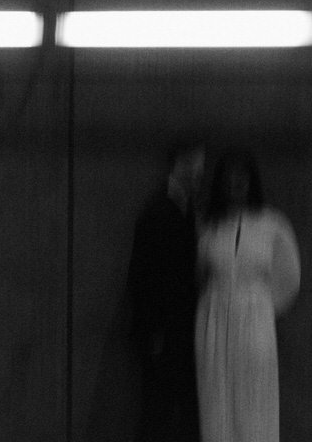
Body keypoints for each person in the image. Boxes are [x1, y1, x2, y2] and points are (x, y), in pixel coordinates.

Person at [195, 149, 300, 442]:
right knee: (217, 395)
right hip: (214, 320)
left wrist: (259, 309)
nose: (235, 185)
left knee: (255, 395)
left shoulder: (272, 224)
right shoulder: (209, 226)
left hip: (255, 320)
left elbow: (289, 278)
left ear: (252, 182)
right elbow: (200, 273)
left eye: (242, 179)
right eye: (229, 180)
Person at [126, 141, 207, 442]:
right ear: (179, 164)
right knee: (159, 409)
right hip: (165, 328)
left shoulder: (186, 207)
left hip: (180, 326)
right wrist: (151, 330)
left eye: (201, 167)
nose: (199, 173)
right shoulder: (159, 210)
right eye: (194, 166)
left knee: (174, 408)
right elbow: (144, 275)